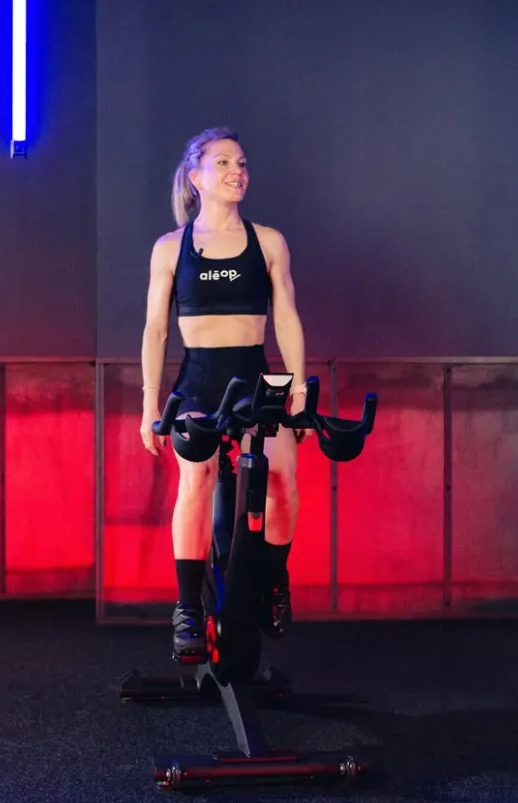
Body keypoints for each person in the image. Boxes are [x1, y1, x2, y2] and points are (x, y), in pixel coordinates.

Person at [140, 126, 310, 663]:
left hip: (254, 378)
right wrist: (149, 405)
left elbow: (286, 316)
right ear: (196, 176)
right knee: (197, 481)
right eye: (223, 163)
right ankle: (188, 607)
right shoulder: (171, 248)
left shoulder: (269, 241)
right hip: (199, 382)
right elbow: (155, 330)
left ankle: (274, 581)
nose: (237, 171)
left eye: (241, 163)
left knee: (283, 479)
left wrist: (298, 387)